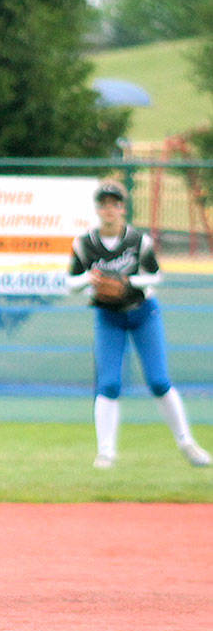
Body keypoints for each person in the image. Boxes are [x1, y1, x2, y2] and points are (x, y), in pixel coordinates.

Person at [67, 181, 209, 469]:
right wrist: (89, 281)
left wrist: (127, 281)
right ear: (97, 209)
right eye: (104, 203)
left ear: (122, 208)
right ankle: (105, 452)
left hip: (143, 313)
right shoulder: (84, 243)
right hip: (108, 316)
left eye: (115, 203)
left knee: (158, 381)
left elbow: (156, 276)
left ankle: (187, 442)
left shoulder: (137, 241)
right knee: (108, 383)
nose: (109, 209)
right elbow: (71, 284)